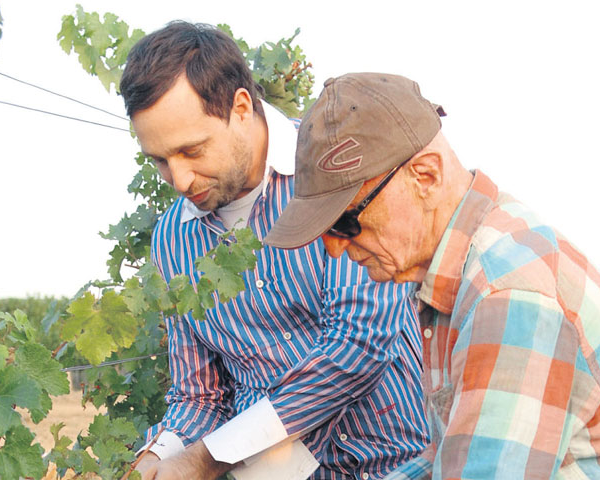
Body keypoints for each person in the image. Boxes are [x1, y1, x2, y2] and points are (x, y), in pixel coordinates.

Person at [264, 72, 600, 478]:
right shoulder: (464, 266)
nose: (334, 248)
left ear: (425, 176)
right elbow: (450, 452)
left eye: (345, 222)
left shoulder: (507, 295)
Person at [120, 24, 428, 479]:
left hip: (395, 467)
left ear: (241, 108)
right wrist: (157, 457)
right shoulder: (172, 240)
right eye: (160, 160)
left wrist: (207, 458)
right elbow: (199, 395)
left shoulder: (336, 171)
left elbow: (357, 344)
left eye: (192, 150)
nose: (179, 179)